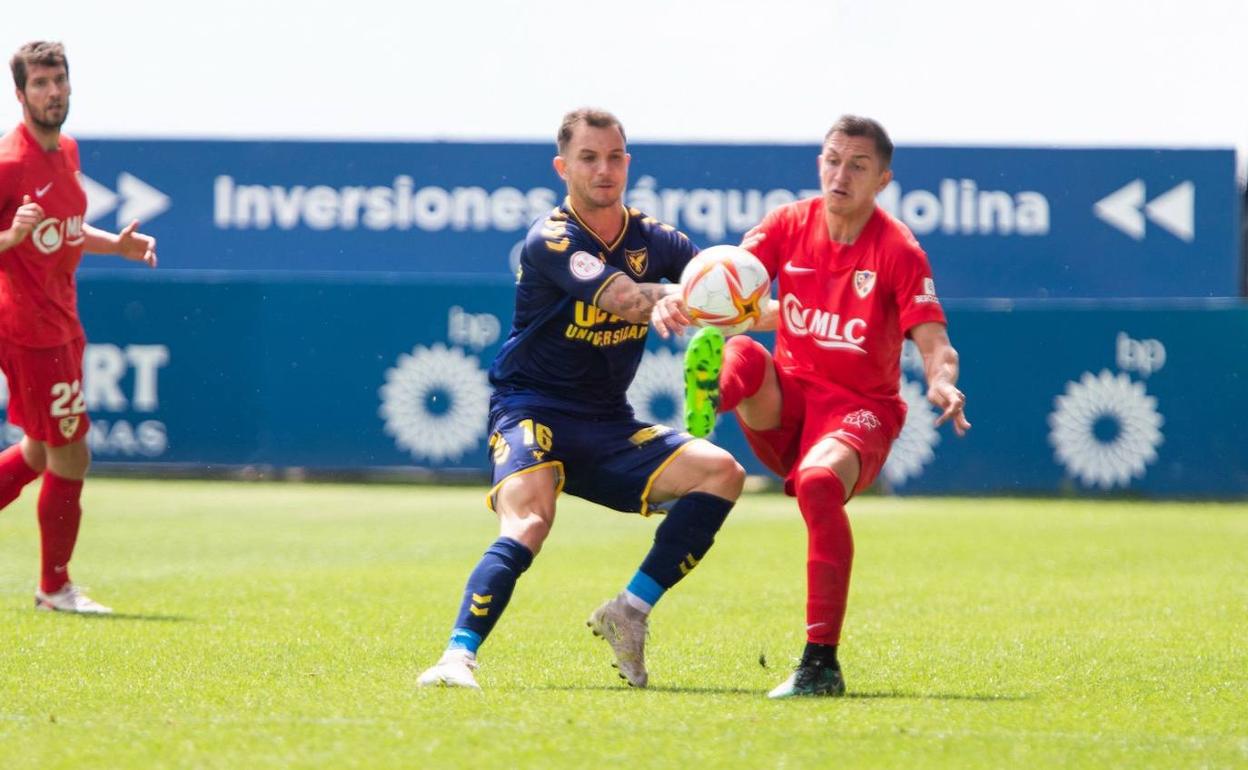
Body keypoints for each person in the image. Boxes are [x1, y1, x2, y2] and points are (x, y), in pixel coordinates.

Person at [417, 108, 744, 690]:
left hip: (606, 422)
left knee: (721, 473)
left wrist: (765, 304)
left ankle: (630, 611)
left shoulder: (657, 240)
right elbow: (623, 298)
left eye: (615, 156)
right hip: (531, 407)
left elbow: (734, 302)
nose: (604, 169)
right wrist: (682, 296)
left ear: (628, 162)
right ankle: (456, 657)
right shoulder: (551, 237)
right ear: (562, 167)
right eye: (589, 158)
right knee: (530, 522)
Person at [665, 115, 971, 698]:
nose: (841, 174)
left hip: (860, 411)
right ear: (819, 164)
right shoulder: (787, 223)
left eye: (858, 166)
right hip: (789, 403)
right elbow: (730, 284)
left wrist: (943, 382)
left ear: (882, 179)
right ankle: (709, 400)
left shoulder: (899, 249)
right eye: (832, 160)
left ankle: (820, 664)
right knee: (746, 353)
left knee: (818, 483)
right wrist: (687, 302)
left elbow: (934, 341)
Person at [0, 42, 158, 614]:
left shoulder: (65, 150)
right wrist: (10, 239)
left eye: (59, 80)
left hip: (63, 321)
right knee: (73, 456)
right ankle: (54, 587)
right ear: (20, 95)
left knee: (41, 453)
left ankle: (54, 586)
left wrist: (113, 244)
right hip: (30, 330)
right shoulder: (8, 164)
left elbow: (65, 227)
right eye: (39, 84)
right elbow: (17, 237)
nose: (52, 92)